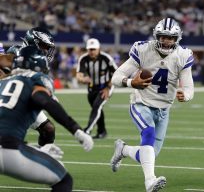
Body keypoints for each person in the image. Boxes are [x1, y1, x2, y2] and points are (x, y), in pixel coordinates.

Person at [110, 18, 194, 192]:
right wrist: (132, 82)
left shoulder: (183, 54)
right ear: (156, 36)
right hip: (142, 103)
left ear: (177, 38)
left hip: (164, 109)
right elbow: (116, 77)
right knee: (148, 134)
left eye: (170, 37)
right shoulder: (143, 50)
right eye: (163, 36)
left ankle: (123, 150)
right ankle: (150, 181)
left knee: (149, 155)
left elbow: (188, 86)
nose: (166, 40)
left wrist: (185, 95)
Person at [0, 45, 94, 192]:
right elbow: (46, 102)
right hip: (8, 150)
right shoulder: (34, 80)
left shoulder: (3, 82)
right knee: (64, 180)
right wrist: (76, 130)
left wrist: (37, 149)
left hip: (8, 144)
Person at [0, 27, 57, 148]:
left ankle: (43, 159)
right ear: (33, 41)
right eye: (44, 45)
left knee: (48, 129)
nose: (46, 50)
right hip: (7, 99)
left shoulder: (39, 59)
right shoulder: (15, 52)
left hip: (22, 100)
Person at [76, 38, 117, 139]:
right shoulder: (83, 58)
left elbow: (117, 73)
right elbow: (79, 75)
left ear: (99, 49)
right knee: (97, 108)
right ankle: (102, 131)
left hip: (105, 87)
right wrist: (83, 79)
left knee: (97, 106)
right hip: (92, 88)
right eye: (90, 49)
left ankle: (87, 130)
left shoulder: (106, 58)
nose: (92, 51)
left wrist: (108, 87)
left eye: (94, 49)